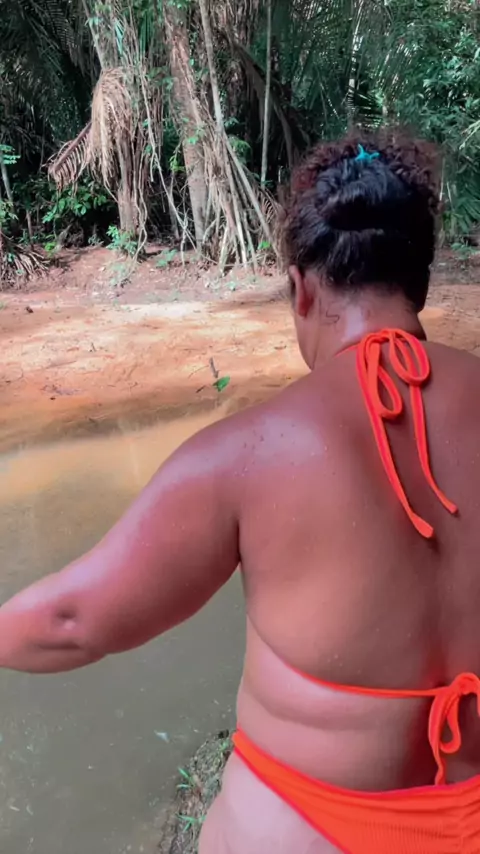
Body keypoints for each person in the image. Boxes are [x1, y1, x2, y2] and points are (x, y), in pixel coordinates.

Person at [2, 132, 480, 854]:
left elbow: (73, 620)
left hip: (313, 829)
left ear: (301, 288)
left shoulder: (248, 451)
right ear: (421, 278)